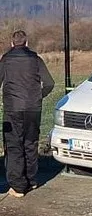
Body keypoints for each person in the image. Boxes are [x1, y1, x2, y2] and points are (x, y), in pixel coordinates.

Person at [0, 30, 55, 198]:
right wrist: (38, 96)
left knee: (14, 145)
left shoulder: (6, 61)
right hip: (33, 109)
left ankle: (17, 186)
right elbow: (50, 83)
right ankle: (31, 180)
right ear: (26, 42)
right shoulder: (36, 60)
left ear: (12, 43)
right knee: (31, 144)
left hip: (13, 108)